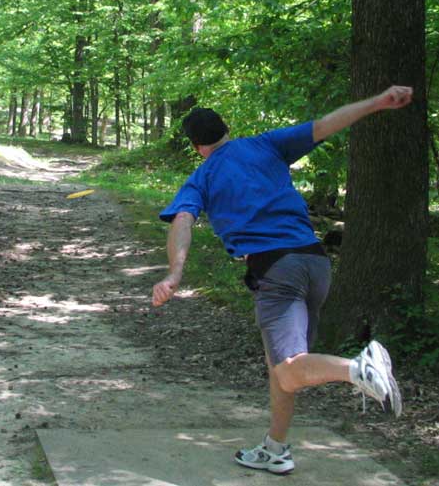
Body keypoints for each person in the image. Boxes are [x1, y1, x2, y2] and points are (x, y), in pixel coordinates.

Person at [152, 86, 412, 475]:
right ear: (228, 130)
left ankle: (359, 369)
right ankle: (275, 448)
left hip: (276, 270)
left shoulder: (201, 176)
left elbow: (183, 221)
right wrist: (377, 102)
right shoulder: (265, 144)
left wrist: (175, 272)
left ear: (196, 146)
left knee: (289, 367)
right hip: (316, 262)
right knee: (287, 370)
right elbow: (326, 125)